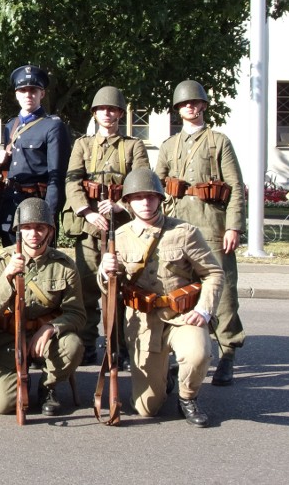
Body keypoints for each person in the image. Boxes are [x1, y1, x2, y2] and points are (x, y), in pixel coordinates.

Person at [100, 169, 224, 427]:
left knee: (197, 354)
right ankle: (165, 378)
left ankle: (188, 397)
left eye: (151, 197)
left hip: (182, 315)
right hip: (144, 321)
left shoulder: (184, 232)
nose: (145, 203)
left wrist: (204, 310)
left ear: (160, 199)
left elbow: (213, 273)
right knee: (147, 409)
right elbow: (110, 287)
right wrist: (105, 270)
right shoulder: (120, 238)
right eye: (138, 197)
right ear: (128, 202)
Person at [155, 80, 245, 386]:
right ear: (177, 109)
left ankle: (228, 352)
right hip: (177, 225)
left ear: (203, 106)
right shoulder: (169, 146)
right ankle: (184, 352)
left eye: (194, 103)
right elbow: (157, 186)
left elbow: (234, 188)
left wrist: (234, 226)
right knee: (179, 290)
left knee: (223, 293)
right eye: (183, 104)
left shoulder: (218, 141)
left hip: (212, 224)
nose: (189, 108)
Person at [63, 86, 150, 366]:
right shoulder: (83, 145)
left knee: (120, 288)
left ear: (120, 114)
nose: (107, 114)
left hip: (122, 227)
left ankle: (119, 347)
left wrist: (121, 205)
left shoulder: (133, 146)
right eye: (102, 109)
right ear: (95, 113)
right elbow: (72, 182)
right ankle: (88, 344)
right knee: (87, 287)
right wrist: (87, 212)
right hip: (89, 227)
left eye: (112, 109)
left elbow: (142, 182)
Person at [0, 197, 85, 416]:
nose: (33, 233)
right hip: (8, 335)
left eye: (40, 227)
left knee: (72, 345)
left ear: (50, 230)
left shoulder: (64, 266)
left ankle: (48, 387)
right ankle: (17, 379)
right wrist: (7, 276)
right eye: (27, 228)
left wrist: (51, 328)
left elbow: (76, 313)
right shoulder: (1, 260)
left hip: (45, 335)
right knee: (2, 406)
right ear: (18, 230)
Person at [0, 65, 71, 246]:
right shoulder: (10, 126)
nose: (28, 95)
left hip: (37, 203)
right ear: (16, 94)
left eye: (33, 90)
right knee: (12, 261)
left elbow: (57, 175)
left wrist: (50, 213)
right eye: (23, 90)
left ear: (42, 94)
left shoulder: (52, 126)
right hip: (11, 204)